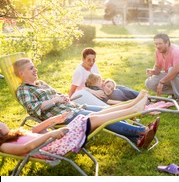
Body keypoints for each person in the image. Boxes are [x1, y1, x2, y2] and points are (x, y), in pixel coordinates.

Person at [13, 58, 158, 148]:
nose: (35, 69)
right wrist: (55, 100)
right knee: (103, 118)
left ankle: (138, 137)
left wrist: (62, 97)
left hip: (72, 106)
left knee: (106, 111)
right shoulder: (23, 90)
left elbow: (56, 95)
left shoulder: (41, 83)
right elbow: (33, 109)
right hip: (63, 115)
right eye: (31, 68)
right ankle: (141, 130)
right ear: (21, 73)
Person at [0, 92, 161, 156]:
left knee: (93, 116)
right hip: (55, 147)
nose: (1, 122)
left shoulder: (13, 135)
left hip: (56, 140)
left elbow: (35, 130)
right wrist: (50, 133)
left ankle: (133, 107)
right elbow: (26, 149)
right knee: (93, 119)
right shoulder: (3, 147)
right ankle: (135, 110)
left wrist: (54, 120)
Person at [68, 47, 139, 102]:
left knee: (120, 87)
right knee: (116, 92)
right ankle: (135, 102)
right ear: (83, 59)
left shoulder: (93, 65)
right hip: (92, 94)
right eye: (89, 60)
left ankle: (146, 97)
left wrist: (108, 83)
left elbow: (99, 79)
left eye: (93, 60)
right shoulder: (79, 72)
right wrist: (70, 102)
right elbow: (73, 90)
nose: (92, 62)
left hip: (101, 88)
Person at [145, 33, 179, 103]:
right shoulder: (158, 51)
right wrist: (152, 71)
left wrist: (161, 82)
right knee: (149, 82)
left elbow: (176, 70)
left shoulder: (176, 51)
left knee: (172, 70)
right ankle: (175, 92)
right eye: (156, 44)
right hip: (172, 73)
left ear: (167, 43)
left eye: (160, 43)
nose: (158, 46)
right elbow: (157, 69)